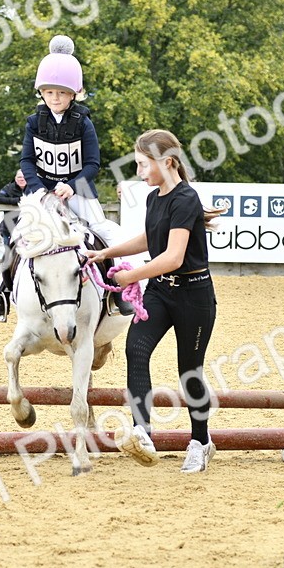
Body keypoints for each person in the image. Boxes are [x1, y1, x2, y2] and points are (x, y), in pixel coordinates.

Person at [86, 129, 220, 473]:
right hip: (160, 292)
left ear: (168, 162)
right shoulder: (153, 198)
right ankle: (142, 432)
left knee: (189, 371)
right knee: (136, 349)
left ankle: (200, 442)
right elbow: (151, 237)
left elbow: (174, 256)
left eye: (143, 165)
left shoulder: (186, 198)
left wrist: (130, 276)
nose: (139, 172)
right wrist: (107, 252)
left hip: (194, 295)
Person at [0, 35, 129, 320]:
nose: (55, 98)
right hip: (41, 190)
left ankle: (117, 292)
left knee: (104, 232)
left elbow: (93, 164)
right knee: (17, 236)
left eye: (61, 93)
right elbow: (27, 161)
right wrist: (39, 190)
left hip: (79, 190)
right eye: (49, 93)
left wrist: (71, 187)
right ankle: (1, 295)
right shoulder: (34, 122)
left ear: (73, 94)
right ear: (41, 93)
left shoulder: (84, 123)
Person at [0, 169, 28, 247]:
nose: (22, 179)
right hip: (9, 227)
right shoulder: (9, 187)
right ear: (15, 178)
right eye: (19, 177)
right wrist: (18, 200)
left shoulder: (33, 188)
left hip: (27, 228)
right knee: (7, 253)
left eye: (24, 177)